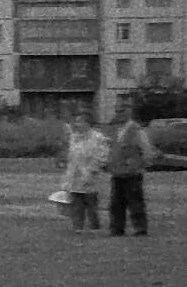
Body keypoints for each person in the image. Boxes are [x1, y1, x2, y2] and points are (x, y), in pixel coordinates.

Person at [105, 101, 158, 236]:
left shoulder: (136, 130)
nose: (119, 114)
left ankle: (140, 229)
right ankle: (117, 229)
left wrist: (143, 164)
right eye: (117, 111)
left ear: (129, 111)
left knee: (135, 203)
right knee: (116, 204)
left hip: (133, 174)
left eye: (122, 111)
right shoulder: (114, 130)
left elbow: (146, 149)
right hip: (117, 173)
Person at [61, 111, 109, 232]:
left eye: (80, 121)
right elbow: (71, 156)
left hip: (91, 175)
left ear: (88, 123)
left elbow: (102, 156)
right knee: (76, 202)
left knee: (91, 202)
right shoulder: (74, 138)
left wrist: (91, 170)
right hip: (75, 175)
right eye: (77, 122)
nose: (77, 124)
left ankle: (94, 226)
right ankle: (78, 226)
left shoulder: (98, 138)